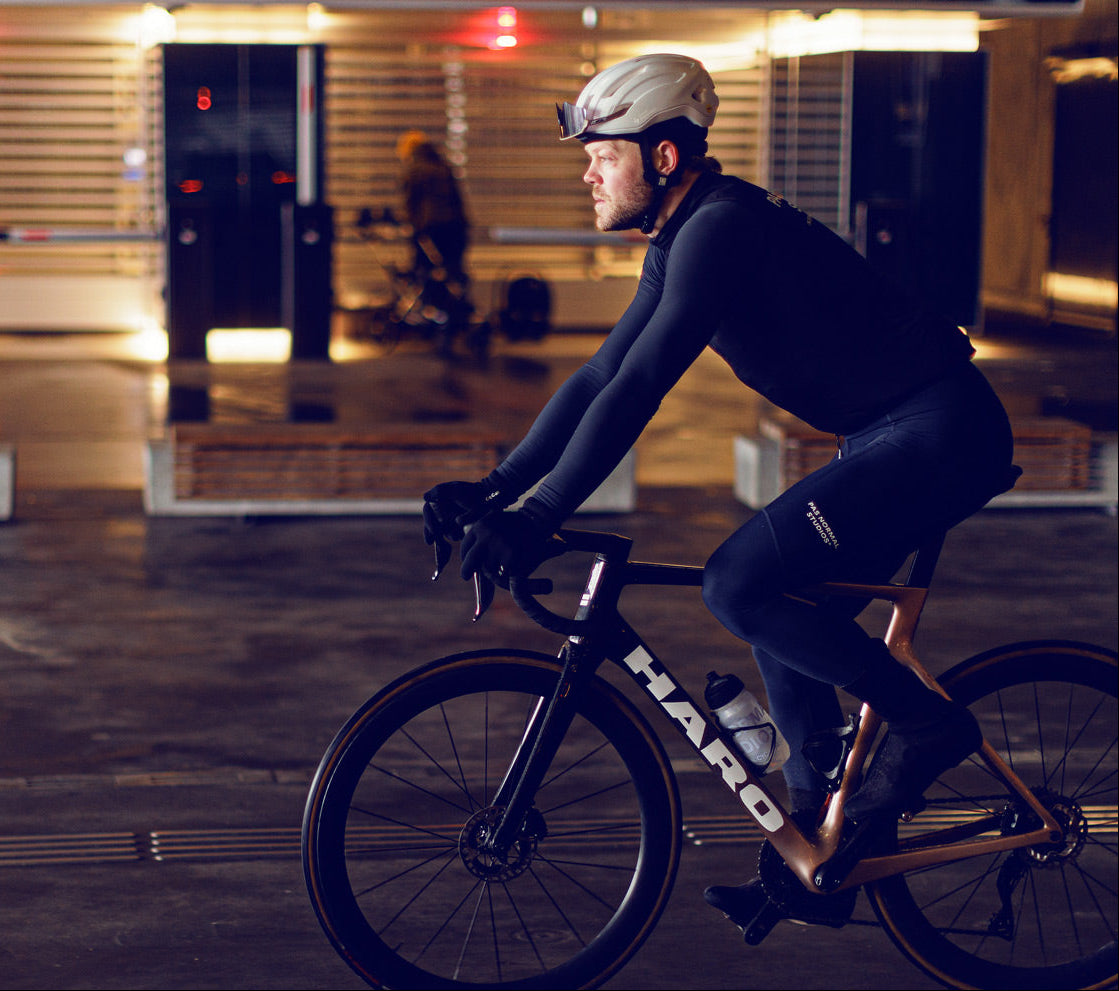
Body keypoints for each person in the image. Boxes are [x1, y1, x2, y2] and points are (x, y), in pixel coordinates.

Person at [421, 54, 1017, 937]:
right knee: (780, 603)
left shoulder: (720, 228)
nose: (587, 171)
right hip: (892, 432)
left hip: (937, 428)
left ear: (663, 157)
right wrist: (499, 485)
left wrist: (541, 516)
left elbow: (640, 386)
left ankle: (925, 726)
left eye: (603, 153)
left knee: (738, 581)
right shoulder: (682, 234)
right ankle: (821, 853)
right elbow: (598, 374)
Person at [396, 130, 470, 293]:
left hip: (429, 228)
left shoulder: (414, 170)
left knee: (424, 271)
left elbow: (411, 203)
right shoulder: (442, 166)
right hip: (455, 228)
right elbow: (457, 199)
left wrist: (410, 224)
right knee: (451, 271)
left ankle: (427, 306)